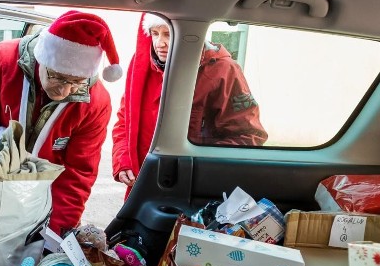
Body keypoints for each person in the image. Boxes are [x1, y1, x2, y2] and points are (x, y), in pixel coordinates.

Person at [0, 10, 122, 234]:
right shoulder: (3, 60)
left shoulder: (96, 102)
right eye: (57, 76)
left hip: (45, 197)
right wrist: (4, 148)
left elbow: (78, 174)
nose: (64, 90)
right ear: (43, 58)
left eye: (76, 82)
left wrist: (57, 232)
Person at [112, 14, 267, 196]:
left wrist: (200, 166)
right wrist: (123, 160)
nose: (159, 43)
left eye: (167, 34)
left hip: (193, 189)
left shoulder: (224, 71)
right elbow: (124, 121)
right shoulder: (141, 68)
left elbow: (249, 136)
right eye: (155, 33)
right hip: (142, 185)